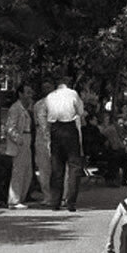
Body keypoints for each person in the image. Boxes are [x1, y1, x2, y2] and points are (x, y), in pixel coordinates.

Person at [45, 72, 85, 212]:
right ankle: (71, 202)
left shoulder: (50, 96)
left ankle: (55, 201)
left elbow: (48, 114)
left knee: (57, 166)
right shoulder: (73, 94)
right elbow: (80, 111)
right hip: (69, 127)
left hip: (55, 128)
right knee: (74, 166)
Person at [5, 83, 35, 209]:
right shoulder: (15, 108)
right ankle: (14, 200)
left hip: (27, 139)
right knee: (18, 171)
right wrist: (19, 139)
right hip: (20, 141)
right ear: (20, 94)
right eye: (27, 92)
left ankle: (21, 198)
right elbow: (10, 127)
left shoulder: (25, 108)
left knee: (27, 171)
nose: (30, 95)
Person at [32, 80, 55, 207]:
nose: (47, 89)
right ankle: (47, 196)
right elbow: (40, 123)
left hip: (55, 137)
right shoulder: (38, 104)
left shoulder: (59, 104)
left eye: (49, 87)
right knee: (43, 169)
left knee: (57, 168)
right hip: (41, 137)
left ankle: (59, 195)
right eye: (45, 87)